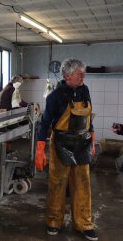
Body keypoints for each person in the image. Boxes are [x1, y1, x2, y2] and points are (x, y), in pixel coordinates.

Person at [35, 58, 98, 241]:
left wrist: (92, 138)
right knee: (58, 183)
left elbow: (88, 118)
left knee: (83, 184)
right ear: (69, 75)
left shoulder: (85, 90)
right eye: (81, 73)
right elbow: (45, 122)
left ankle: (84, 223)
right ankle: (54, 221)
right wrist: (40, 149)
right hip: (60, 144)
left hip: (83, 144)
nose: (83, 76)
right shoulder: (56, 96)